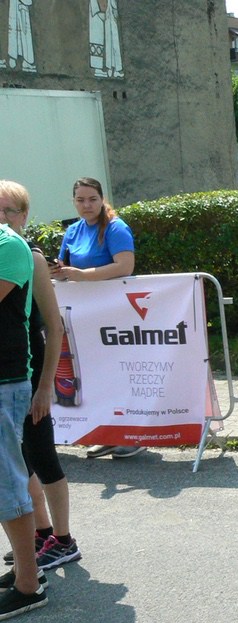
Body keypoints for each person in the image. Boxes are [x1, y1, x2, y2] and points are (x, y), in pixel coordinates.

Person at [0, 181, 80, 574]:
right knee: (20, 461)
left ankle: (64, 540)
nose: (1, 217)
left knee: (42, 455)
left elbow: (54, 325)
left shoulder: (28, 255)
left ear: (24, 215)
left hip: (29, 371)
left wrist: (46, 385)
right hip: (13, 373)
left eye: (8, 211)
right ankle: (41, 532)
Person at [53, 176, 142, 459]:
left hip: (115, 313)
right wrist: (57, 271)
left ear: (102, 199)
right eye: (80, 200)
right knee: (95, 377)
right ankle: (108, 435)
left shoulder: (116, 227)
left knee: (119, 374)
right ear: (73, 202)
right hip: (83, 316)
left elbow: (125, 266)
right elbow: (65, 268)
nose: (87, 205)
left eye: (92, 199)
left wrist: (83, 275)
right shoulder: (73, 230)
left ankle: (133, 435)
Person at [0, 220, 46, 620]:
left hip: (5, 380)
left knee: (8, 484)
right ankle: (24, 570)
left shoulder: (9, 245)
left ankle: (28, 586)